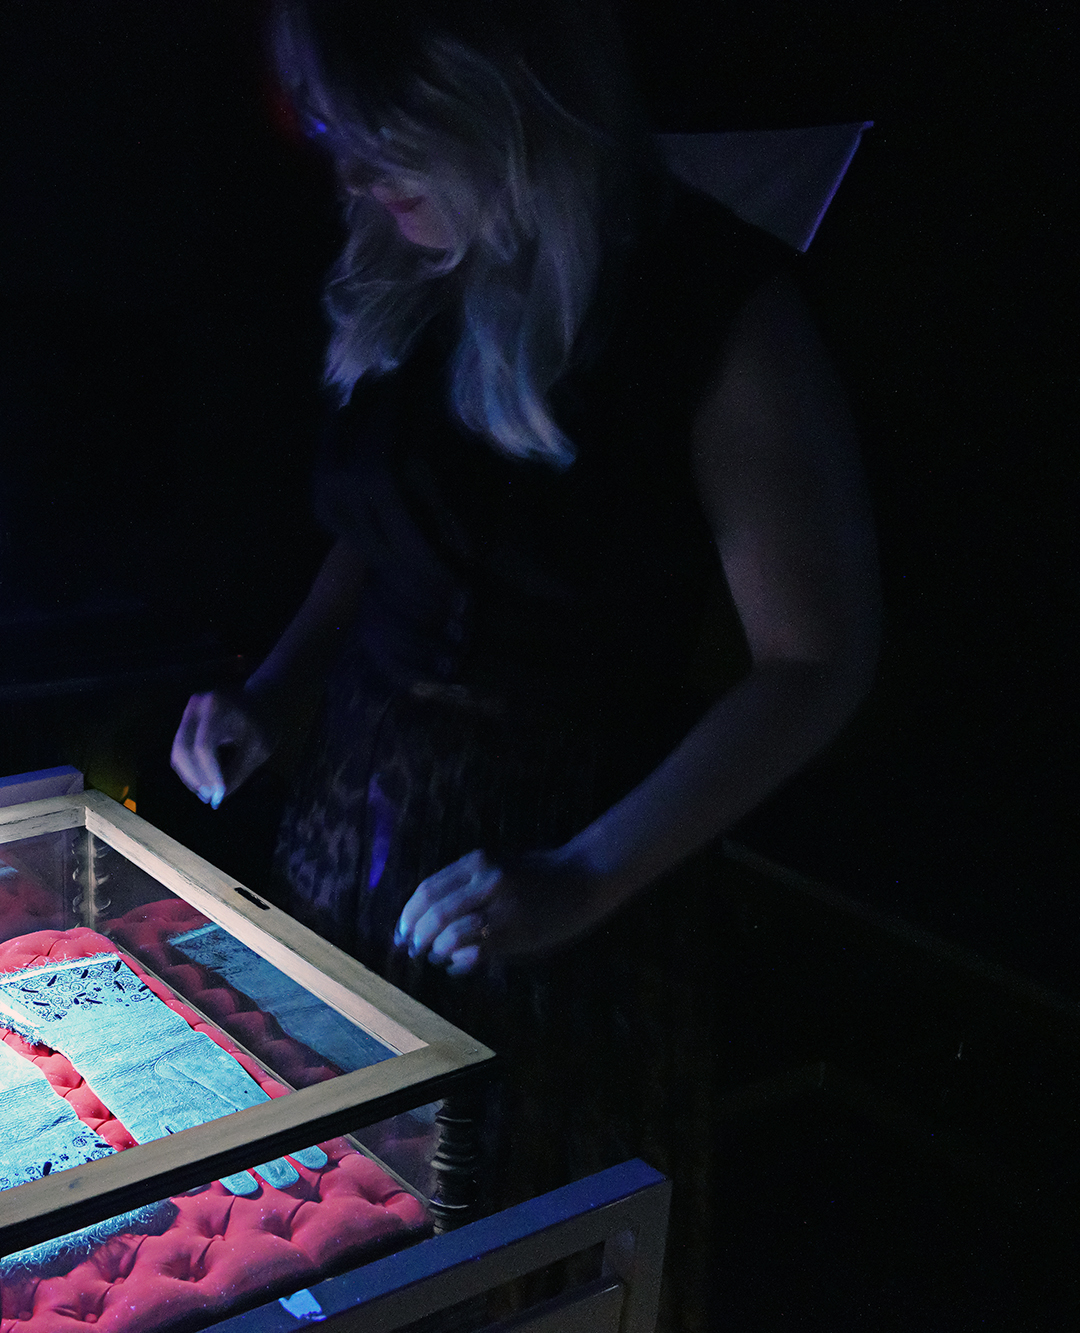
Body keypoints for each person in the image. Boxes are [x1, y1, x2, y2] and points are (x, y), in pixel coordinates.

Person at [171, 1, 878, 1323]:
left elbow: (816, 659)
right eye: (344, 141)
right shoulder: (414, 257)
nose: (358, 183)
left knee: (514, 1261)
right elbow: (386, 536)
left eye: (391, 145)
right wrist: (277, 687)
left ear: (510, 100)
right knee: (325, 1243)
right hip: (348, 828)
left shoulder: (717, 306)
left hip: (559, 875)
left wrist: (584, 874)